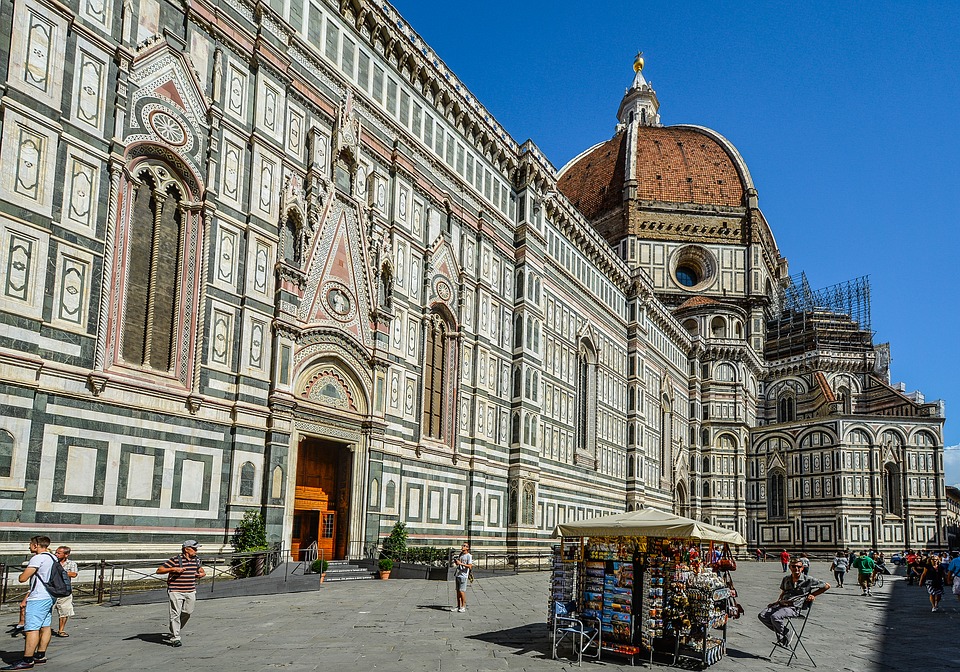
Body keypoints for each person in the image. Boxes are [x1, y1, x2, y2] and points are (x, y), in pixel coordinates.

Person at [2, 536, 57, 670]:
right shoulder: (52, 557)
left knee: (32, 628)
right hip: (50, 596)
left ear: (36, 545)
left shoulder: (38, 558)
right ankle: (40, 655)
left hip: (38, 597)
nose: (29, 546)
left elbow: (23, 578)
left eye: (30, 544)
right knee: (45, 626)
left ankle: (27, 659)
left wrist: (23, 574)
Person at [758, 559, 830, 647]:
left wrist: (813, 595)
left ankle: (783, 636)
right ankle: (785, 632)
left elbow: (827, 586)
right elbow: (783, 592)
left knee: (775, 617)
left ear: (802, 568)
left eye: (799, 567)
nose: (796, 568)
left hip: (794, 607)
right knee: (762, 615)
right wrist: (776, 602)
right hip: (781, 604)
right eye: (794, 566)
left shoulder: (808, 580)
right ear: (790, 567)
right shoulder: (786, 579)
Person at [156, 540, 206, 647]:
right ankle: (175, 637)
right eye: (194, 548)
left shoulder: (196, 560)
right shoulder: (175, 559)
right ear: (186, 549)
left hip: (190, 590)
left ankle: (174, 628)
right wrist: (174, 569)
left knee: (188, 612)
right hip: (175, 590)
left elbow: (201, 570)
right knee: (175, 613)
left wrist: (201, 574)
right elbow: (159, 570)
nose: (196, 551)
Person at [52, 547, 78, 638]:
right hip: (52, 589)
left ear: (66, 555)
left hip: (64, 590)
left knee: (64, 611)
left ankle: (61, 630)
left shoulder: (71, 563)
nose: (56, 554)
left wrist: (61, 572)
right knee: (47, 610)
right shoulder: (52, 562)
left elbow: (74, 574)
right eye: (56, 552)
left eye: (59, 553)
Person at [453, 542, 473, 613]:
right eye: (462, 545)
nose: (462, 547)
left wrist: (461, 563)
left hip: (463, 575)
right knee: (458, 591)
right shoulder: (461, 554)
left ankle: (463, 606)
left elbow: (470, 566)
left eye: (464, 546)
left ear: (467, 548)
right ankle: (458, 606)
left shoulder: (469, 556)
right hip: (458, 574)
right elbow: (459, 564)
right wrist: (456, 562)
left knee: (462, 591)